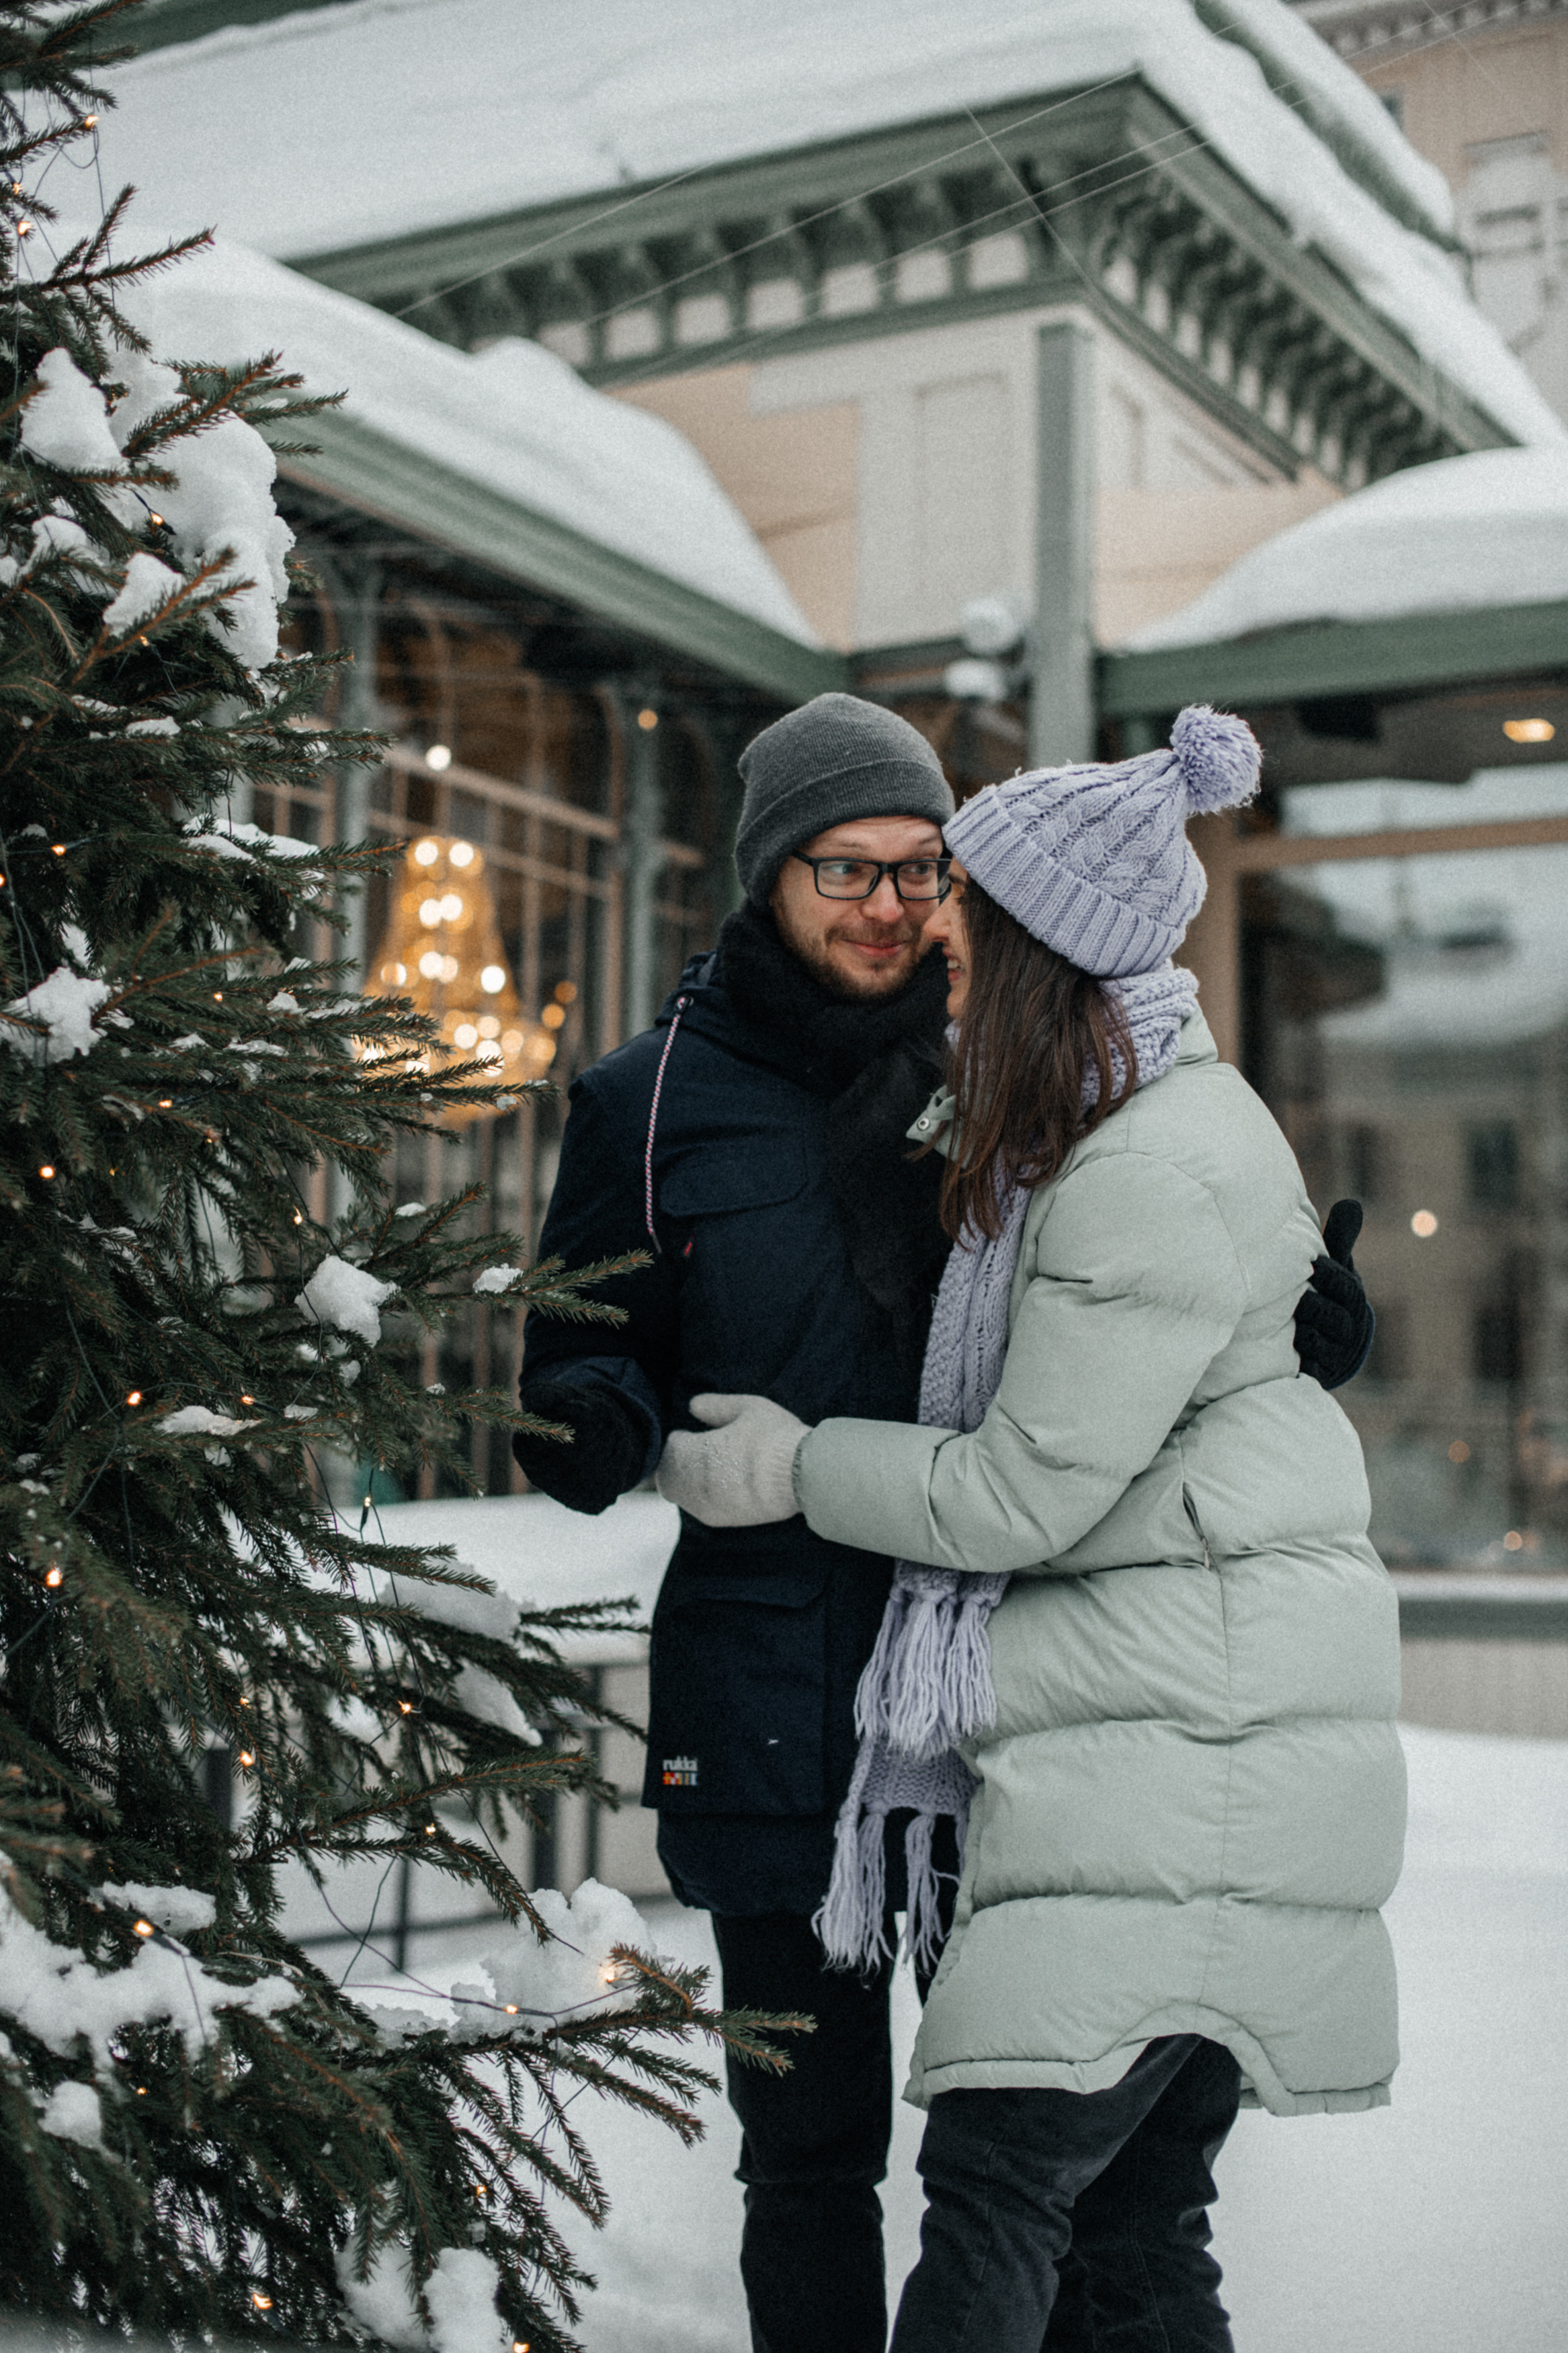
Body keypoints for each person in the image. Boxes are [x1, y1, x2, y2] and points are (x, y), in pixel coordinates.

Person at [513, 694, 1376, 2353]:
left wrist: (1308, 1328)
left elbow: (1157, 1298)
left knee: (1037, 2171)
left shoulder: (1020, 1059)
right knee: (813, 2157)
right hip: (771, 1698)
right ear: (768, 870)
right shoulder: (646, 1100)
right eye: (851, 867)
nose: (894, 907)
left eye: (923, 870)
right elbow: (586, 1342)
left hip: (1015, 1696)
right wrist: (593, 1417)